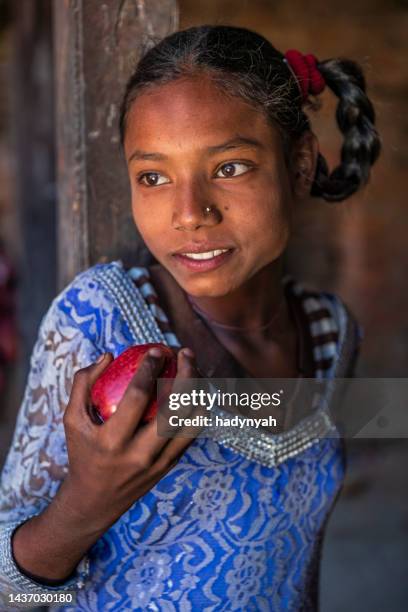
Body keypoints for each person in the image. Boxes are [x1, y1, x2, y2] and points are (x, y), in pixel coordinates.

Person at [0, 25, 380, 611]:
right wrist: (85, 506)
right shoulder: (101, 321)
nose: (190, 214)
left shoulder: (331, 333)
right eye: (153, 177)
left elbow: (297, 536)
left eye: (229, 167)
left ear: (300, 165)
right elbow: (9, 591)